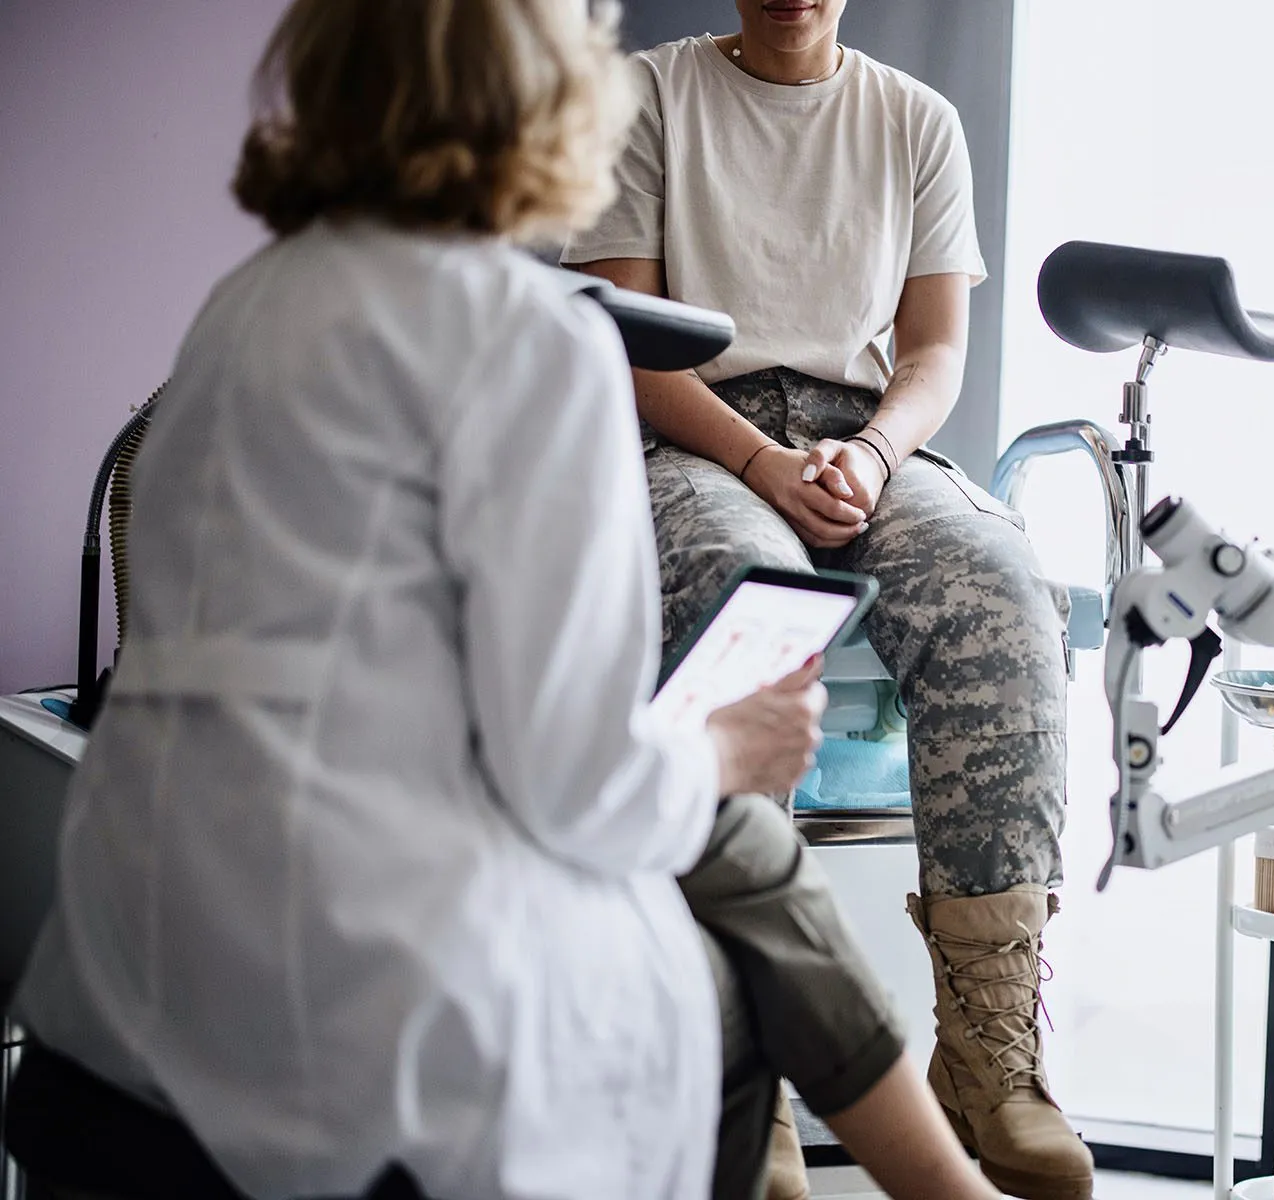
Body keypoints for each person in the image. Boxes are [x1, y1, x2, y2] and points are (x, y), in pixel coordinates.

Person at [8, 2, 1002, 1198]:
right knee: (731, 970)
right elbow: (580, 786)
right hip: (335, 1030)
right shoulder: (526, 343)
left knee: (737, 855)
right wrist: (728, 743)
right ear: (552, 92)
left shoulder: (242, 312)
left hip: (121, 987)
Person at [565, 3, 1091, 1198]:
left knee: (1003, 582)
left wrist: (878, 457)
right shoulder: (649, 98)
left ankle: (989, 1053)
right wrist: (760, 464)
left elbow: (934, 354)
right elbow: (633, 344)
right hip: (699, 440)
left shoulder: (916, 120)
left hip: (864, 441)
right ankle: (744, 1072)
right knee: (757, 596)